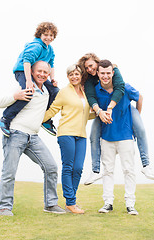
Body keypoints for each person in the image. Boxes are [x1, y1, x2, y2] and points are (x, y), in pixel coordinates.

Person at [0, 61, 65, 216]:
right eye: (38, 71)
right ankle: (5, 207)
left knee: (51, 167)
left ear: (49, 74)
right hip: (15, 134)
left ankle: (51, 204)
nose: (42, 74)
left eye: (45, 72)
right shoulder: (24, 87)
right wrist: (16, 96)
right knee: (9, 171)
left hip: (33, 137)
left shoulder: (48, 92)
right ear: (32, 72)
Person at [78, 53, 154, 184]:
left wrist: (133, 116)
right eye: (87, 68)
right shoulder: (90, 80)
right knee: (94, 135)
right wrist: (99, 111)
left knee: (140, 129)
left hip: (125, 108)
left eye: (91, 66)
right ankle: (95, 171)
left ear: (97, 62)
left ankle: (146, 165)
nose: (90, 69)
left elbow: (121, 88)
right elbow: (90, 97)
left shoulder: (114, 70)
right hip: (101, 111)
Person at [43, 64, 95, 214]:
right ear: (68, 77)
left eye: (76, 74)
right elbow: (53, 109)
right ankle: (71, 202)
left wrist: (99, 114)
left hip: (81, 135)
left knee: (78, 168)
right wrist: (38, 119)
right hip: (66, 133)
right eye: (71, 74)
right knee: (68, 167)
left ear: (81, 76)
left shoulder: (84, 93)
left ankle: (71, 200)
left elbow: (84, 113)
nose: (74, 77)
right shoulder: (64, 92)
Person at [0, 22, 59, 138]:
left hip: (36, 73)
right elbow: (26, 61)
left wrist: (53, 79)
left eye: (51, 35)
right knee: (28, 92)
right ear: (40, 34)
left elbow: (51, 65)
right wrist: (28, 81)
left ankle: (45, 119)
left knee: (55, 91)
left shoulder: (49, 49)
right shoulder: (36, 46)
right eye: (46, 34)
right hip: (23, 71)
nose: (48, 37)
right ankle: (6, 118)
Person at [96, 60, 140, 215]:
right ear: (98, 73)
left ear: (113, 73)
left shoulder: (125, 88)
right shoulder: (96, 89)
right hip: (106, 137)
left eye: (108, 73)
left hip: (125, 136)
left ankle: (130, 204)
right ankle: (108, 203)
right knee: (107, 170)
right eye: (102, 73)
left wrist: (136, 118)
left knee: (129, 170)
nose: (105, 76)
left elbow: (139, 97)